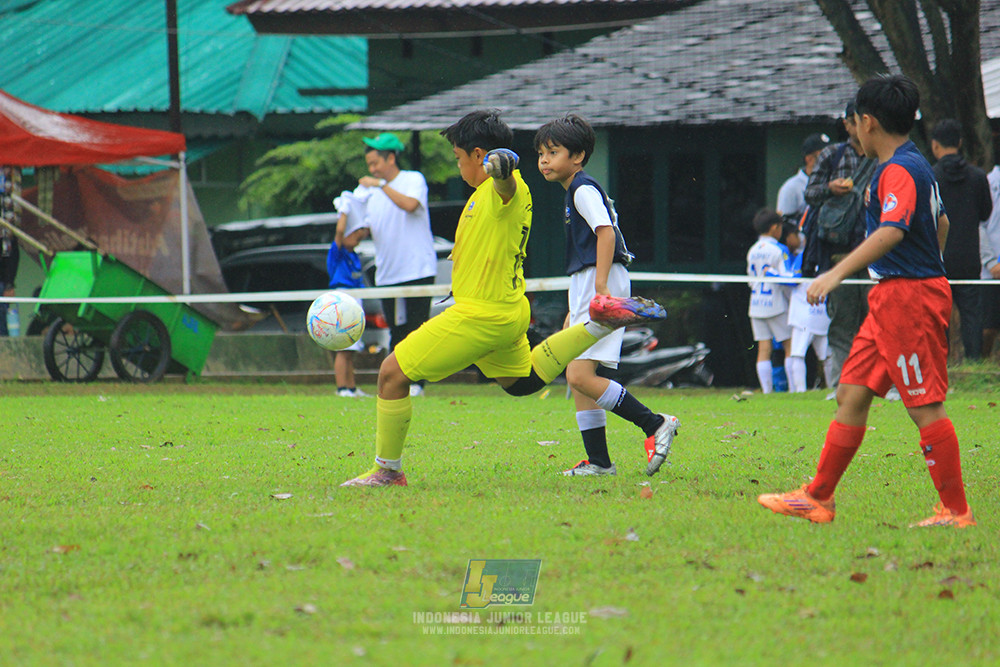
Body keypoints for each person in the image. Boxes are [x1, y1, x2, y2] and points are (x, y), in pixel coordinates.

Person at [340, 109, 669, 488]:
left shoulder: (503, 188)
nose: (459, 167)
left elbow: (506, 183)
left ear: (478, 155)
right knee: (523, 382)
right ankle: (598, 324)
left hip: (481, 316)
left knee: (390, 374)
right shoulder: (484, 195)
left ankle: (388, 471)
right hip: (506, 311)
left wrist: (503, 166)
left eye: (459, 159)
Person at [758, 74, 975, 528]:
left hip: (907, 299)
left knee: (923, 405)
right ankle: (818, 498)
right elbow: (944, 224)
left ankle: (956, 512)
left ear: (867, 122)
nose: (851, 130)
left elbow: (892, 229)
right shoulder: (915, 163)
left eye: (853, 122)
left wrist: (837, 273)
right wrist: (924, 263)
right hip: (894, 295)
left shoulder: (897, 169)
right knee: (850, 392)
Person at [534, 114, 680, 477]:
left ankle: (654, 423)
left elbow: (606, 233)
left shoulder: (582, 189)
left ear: (578, 155)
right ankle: (599, 462)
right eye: (541, 154)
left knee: (580, 376)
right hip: (588, 283)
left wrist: (600, 289)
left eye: (553, 152)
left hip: (600, 281)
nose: (545, 160)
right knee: (576, 372)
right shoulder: (575, 189)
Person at [803, 101, 876, 395]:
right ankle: (843, 385)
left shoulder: (882, 155)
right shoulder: (832, 155)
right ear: (848, 124)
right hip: (839, 253)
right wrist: (831, 188)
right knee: (842, 322)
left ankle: (881, 384)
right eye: (854, 121)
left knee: (878, 323)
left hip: (877, 254)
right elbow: (810, 193)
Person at [358, 132, 437, 396]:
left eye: (375, 163)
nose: (372, 170)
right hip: (388, 273)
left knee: (417, 330)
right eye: (369, 165)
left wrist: (380, 185)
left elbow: (410, 204)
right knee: (396, 332)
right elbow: (363, 230)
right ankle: (397, 382)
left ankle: (418, 384)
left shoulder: (412, 180)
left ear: (390, 158)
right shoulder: (372, 193)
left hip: (416, 269)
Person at [930, 118, 993, 361]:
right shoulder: (978, 177)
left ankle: (940, 364)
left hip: (939, 257)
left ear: (935, 145)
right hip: (969, 257)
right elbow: (986, 214)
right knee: (972, 314)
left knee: (938, 315)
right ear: (959, 142)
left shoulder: (932, 176)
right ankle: (975, 362)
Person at [327, 187, 373, 397]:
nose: (357, 236)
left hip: (356, 299)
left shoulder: (354, 254)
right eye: (353, 233)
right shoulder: (337, 253)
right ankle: (341, 388)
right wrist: (344, 212)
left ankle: (352, 387)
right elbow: (339, 232)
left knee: (352, 348)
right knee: (342, 347)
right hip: (342, 299)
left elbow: (365, 229)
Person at [746, 208, 793, 393]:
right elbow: (788, 278)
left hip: (756, 303)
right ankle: (795, 390)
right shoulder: (779, 249)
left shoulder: (752, 250)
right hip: (776, 304)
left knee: (763, 348)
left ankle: (767, 391)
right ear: (775, 228)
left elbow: (750, 280)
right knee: (789, 344)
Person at [783, 221, 833, 392]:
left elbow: (793, 279)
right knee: (826, 355)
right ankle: (833, 387)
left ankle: (799, 390)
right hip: (822, 312)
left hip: (804, 312)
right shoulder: (829, 256)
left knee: (797, 353)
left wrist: (772, 274)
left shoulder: (804, 255)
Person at [776, 133, 830, 221]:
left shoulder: (833, 182)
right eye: (824, 155)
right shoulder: (791, 188)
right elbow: (784, 226)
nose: (830, 157)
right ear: (809, 159)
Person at [982, 165, 1000, 357]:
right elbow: (979, 225)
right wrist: (991, 262)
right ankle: (982, 368)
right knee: (989, 327)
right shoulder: (988, 182)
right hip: (991, 272)